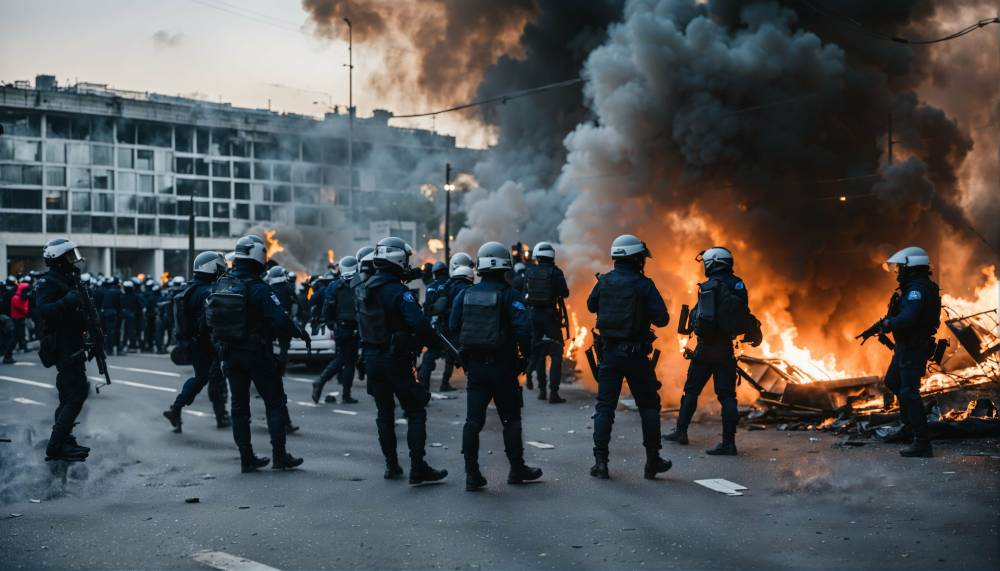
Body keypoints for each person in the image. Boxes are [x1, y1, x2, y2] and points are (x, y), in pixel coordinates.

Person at [207, 236, 310, 472]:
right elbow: (279, 319)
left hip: (230, 354)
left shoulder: (222, 284)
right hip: (256, 354)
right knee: (274, 404)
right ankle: (279, 456)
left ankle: (246, 459)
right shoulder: (258, 288)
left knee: (239, 408)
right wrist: (299, 333)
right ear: (258, 258)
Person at [356, 237, 448, 484]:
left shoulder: (365, 288)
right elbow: (417, 323)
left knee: (384, 414)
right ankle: (418, 468)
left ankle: (391, 466)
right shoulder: (399, 292)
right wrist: (436, 344)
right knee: (415, 411)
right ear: (397, 259)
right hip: (396, 360)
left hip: (372, 359)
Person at [451, 242, 542, 491]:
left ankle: (472, 474)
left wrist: (467, 356)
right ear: (505, 267)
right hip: (504, 368)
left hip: (476, 369)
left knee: (473, 421)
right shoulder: (510, 295)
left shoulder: (465, 294)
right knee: (511, 419)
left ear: (479, 267)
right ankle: (516, 469)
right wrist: (525, 358)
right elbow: (525, 329)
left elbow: (453, 327)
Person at [587, 235, 673, 480]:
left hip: (609, 354)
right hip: (635, 356)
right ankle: (652, 461)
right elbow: (662, 319)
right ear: (637, 259)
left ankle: (601, 463)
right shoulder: (644, 284)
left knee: (605, 408)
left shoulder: (604, 282)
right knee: (648, 406)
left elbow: (591, 306)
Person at [663, 247, 761, 456]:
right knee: (727, 397)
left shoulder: (708, 286)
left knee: (691, 391)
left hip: (705, 348)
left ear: (712, 263)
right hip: (726, 348)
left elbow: (699, 317)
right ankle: (728, 443)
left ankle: (681, 432)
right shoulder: (738, 284)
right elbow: (744, 314)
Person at [872, 247, 941, 458]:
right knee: (893, 382)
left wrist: (888, 324)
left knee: (908, 392)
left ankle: (922, 442)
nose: (897, 272)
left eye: (900, 267)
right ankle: (910, 428)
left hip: (914, 347)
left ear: (910, 267)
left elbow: (909, 318)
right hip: (905, 347)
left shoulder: (916, 290)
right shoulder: (913, 288)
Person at [35, 238, 92, 462]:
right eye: (69, 256)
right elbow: (43, 311)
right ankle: (55, 445)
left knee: (68, 394)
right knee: (77, 393)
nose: (73, 260)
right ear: (58, 260)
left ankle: (64, 439)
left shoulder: (68, 278)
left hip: (73, 342)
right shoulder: (48, 282)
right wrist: (67, 301)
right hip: (61, 344)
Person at [162, 252, 232, 432]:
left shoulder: (190, 288)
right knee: (215, 379)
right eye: (219, 267)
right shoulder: (206, 292)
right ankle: (221, 416)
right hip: (207, 343)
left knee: (200, 378)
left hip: (194, 343)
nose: (222, 270)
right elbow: (212, 320)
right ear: (211, 268)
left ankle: (176, 409)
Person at [524, 241, 570, 403]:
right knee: (556, 354)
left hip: (534, 317)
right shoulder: (556, 272)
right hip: (551, 317)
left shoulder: (530, 271)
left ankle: (542, 390)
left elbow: (525, 292)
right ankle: (554, 393)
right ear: (552, 256)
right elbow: (565, 293)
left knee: (540, 352)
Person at [312, 256, 361, 404]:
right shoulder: (359, 284)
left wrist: (332, 324)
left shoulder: (334, 285)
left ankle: (346, 394)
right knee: (344, 360)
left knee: (348, 361)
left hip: (341, 327)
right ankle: (320, 382)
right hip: (351, 328)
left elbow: (327, 309)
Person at [433, 253, 475, 392]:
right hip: (463, 326)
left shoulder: (446, 285)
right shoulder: (467, 288)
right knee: (467, 357)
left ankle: (445, 382)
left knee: (452, 356)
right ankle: (473, 382)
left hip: (448, 327)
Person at [416, 261, 450, 393]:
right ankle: (442, 383)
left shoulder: (431, 286)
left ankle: (424, 384)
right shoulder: (448, 284)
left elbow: (428, 307)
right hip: (446, 325)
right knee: (445, 355)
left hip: (433, 324)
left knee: (432, 354)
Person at [99, 277, 122, 356]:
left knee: (107, 331)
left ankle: (108, 349)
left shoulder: (107, 291)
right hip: (113, 313)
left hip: (105, 312)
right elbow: (120, 304)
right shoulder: (117, 292)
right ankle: (115, 349)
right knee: (114, 331)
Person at [121, 280, 141, 353]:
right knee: (131, 331)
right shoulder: (135, 296)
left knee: (126, 331)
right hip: (132, 315)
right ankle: (132, 345)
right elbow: (138, 306)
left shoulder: (123, 296)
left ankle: (124, 345)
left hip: (125, 315)